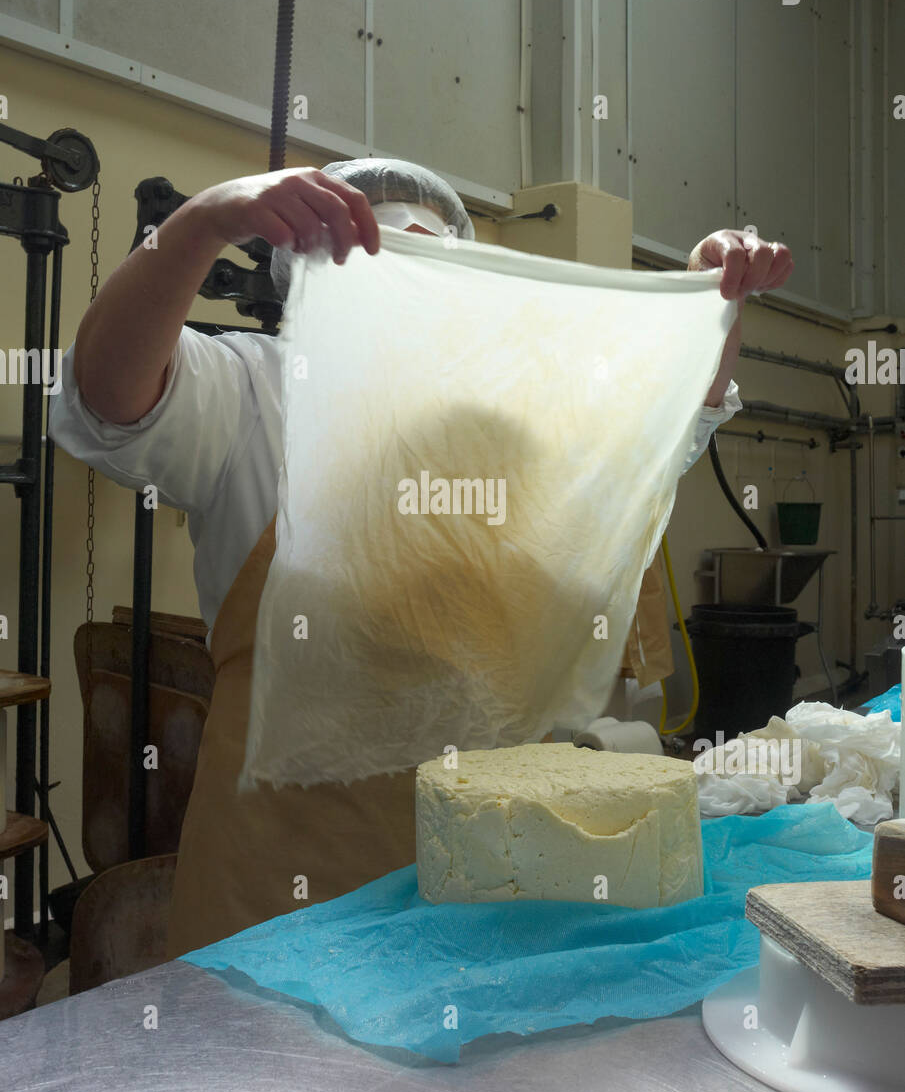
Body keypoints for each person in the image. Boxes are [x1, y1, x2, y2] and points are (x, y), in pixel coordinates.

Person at [48, 158, 794, 954]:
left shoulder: (522, 431)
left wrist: (709, 299)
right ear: (306, 287)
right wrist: (203, 222)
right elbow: (108, 397)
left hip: (495, 884)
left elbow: (675, 417)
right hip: (284, 903)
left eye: (425, 268)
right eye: (372, 269)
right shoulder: (255, 393)